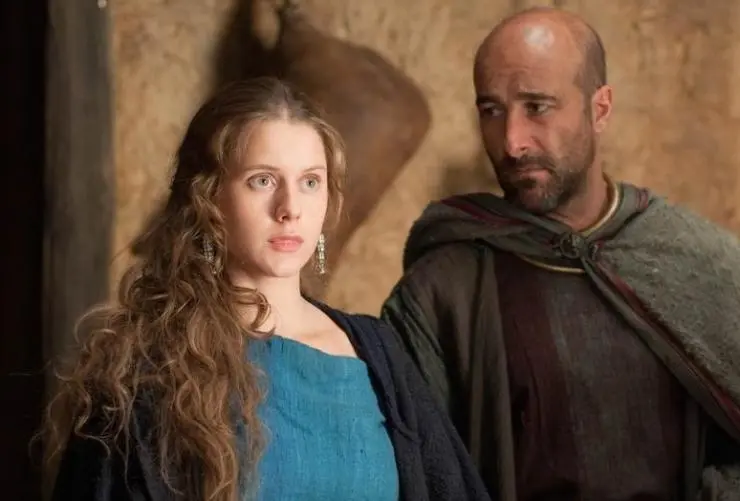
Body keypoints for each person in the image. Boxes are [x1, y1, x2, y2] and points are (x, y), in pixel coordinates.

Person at [37, 77, 491, 501]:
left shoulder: (378, 354)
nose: (290, 208)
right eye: (263, 180)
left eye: (310, 182)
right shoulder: (150, 368)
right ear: (209, 197)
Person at [380, 7, 740, 501]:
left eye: (537, 107)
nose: (512, 142)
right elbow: (415, 473)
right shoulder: (441, 294)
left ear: (600, 109)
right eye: (491, 111)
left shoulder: (695, 262)